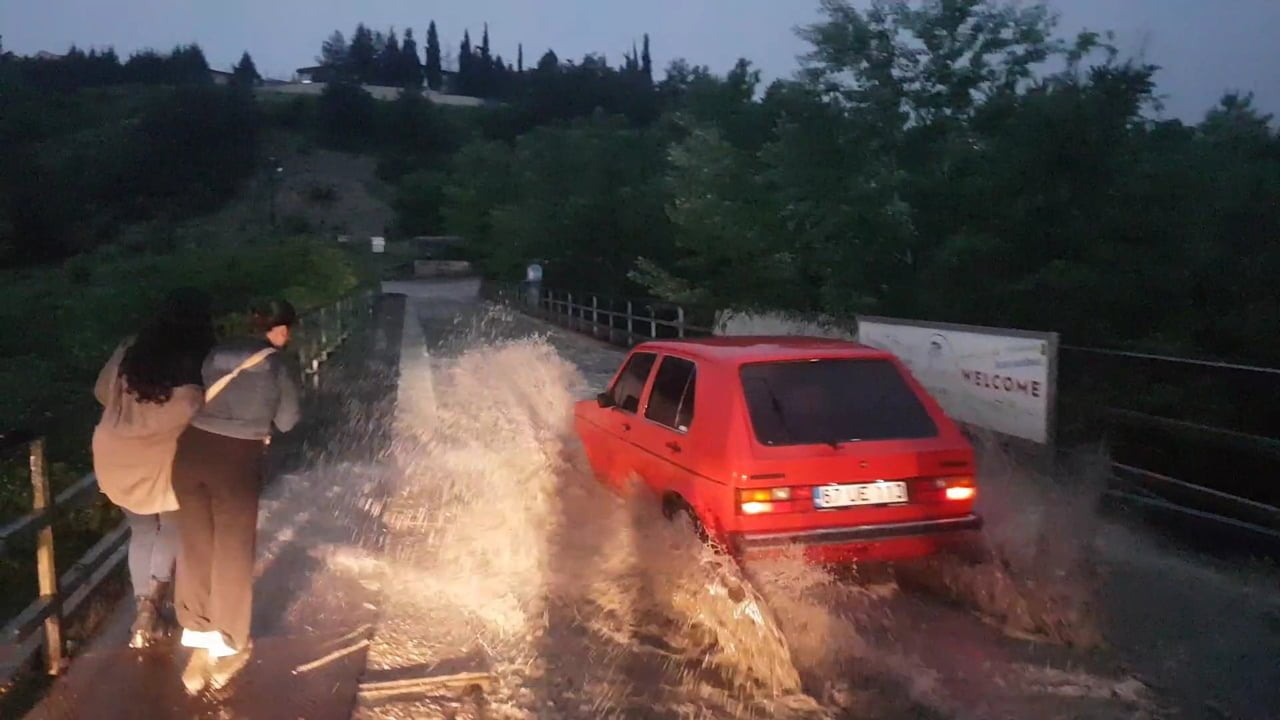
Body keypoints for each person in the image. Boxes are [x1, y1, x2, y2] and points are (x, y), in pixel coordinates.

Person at [172, 298, 301, 693]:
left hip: (191, 453)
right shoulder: (277, 362)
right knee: (232, 551)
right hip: (235, 460)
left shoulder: (217, 352)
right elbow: (288, 419)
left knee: (197, 547)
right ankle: (228, 646)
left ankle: (198, 643)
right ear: (280, 330)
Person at [92, 288, 215, 649]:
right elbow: (206, 411)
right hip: (167, 453)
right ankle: (151, 610)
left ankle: (142, 613)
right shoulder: (200, 360)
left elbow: (102, 391)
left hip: (115, 449)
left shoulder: (132, 348)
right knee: (172, 527)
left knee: (141, 530)